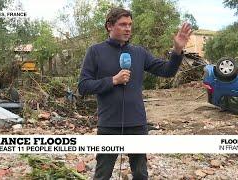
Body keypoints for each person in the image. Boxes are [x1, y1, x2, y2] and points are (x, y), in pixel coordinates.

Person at [78, 7, 192, 180]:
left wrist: (177, 51)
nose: (128, 28)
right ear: (109, 26)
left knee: (140, 173)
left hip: (137, 124)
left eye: (130, 25)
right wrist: (113, 80)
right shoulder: (95, 51)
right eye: (123, 24)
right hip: (109, 125)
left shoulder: (139, 52)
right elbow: (83, 86)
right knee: (102, 174)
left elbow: (167, 71)